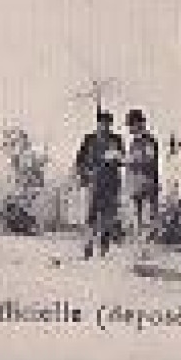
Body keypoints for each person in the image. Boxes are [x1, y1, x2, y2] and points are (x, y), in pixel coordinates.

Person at [73, 109, 125, 259]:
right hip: (93, 182)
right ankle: (88, 246)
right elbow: (79, 160)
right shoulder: (89, 139)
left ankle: (104, 248)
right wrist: (84, 176)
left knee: (108, 216)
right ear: (98, 124)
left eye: (108, 124)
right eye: (102, 123)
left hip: (111, 183)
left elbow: (122, 159)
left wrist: (114, 157)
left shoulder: (116, 140)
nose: (105, 126)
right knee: (91, 215)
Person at [125, 109, 161, 239]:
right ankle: (141, 248)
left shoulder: (148, 141)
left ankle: (147, 249)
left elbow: (149, 160)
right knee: (138, 221)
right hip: (137, 186)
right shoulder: (134, 143)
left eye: (131, 125)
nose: (130, 128)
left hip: (147, 185)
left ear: (139, 124)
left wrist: (130, 161)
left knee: (148, 220)